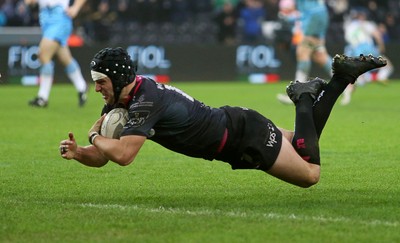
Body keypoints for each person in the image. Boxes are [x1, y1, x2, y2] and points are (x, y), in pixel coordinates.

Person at [59, 47, 386, 188]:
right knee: (306, 138)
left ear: (117, 79)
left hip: (242, 136)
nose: (97, 89)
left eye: (100, 82)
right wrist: (80, 154)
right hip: (237, 126)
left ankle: (303, 96)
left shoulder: (145, 101)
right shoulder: (123, 98)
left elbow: (125, 156)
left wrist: (93, 136)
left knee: (310, 174)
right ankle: (342, 78)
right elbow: (104, 156)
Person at [25, 0, 88, 108]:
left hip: (60, 19)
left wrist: (76, 8)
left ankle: (42, 97)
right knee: (65, 58)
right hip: (46, 20)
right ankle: (82, 86)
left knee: (43, 55)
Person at [277, 0, 333, 105]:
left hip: (313, 15)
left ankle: (297, 93)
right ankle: (344, 81)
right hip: (321, 13)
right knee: (319, 55)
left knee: (302, 51)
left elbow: (300, 9)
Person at [340, 8, 394, 105]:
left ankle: (349, 94)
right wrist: (381, 46)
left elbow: (348, 40)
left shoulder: (349, 26)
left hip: (353, 51)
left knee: (350, 75)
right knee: (387, 65)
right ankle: (375, 77)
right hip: (367, 48)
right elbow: (377, 35)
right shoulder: (368, 24)